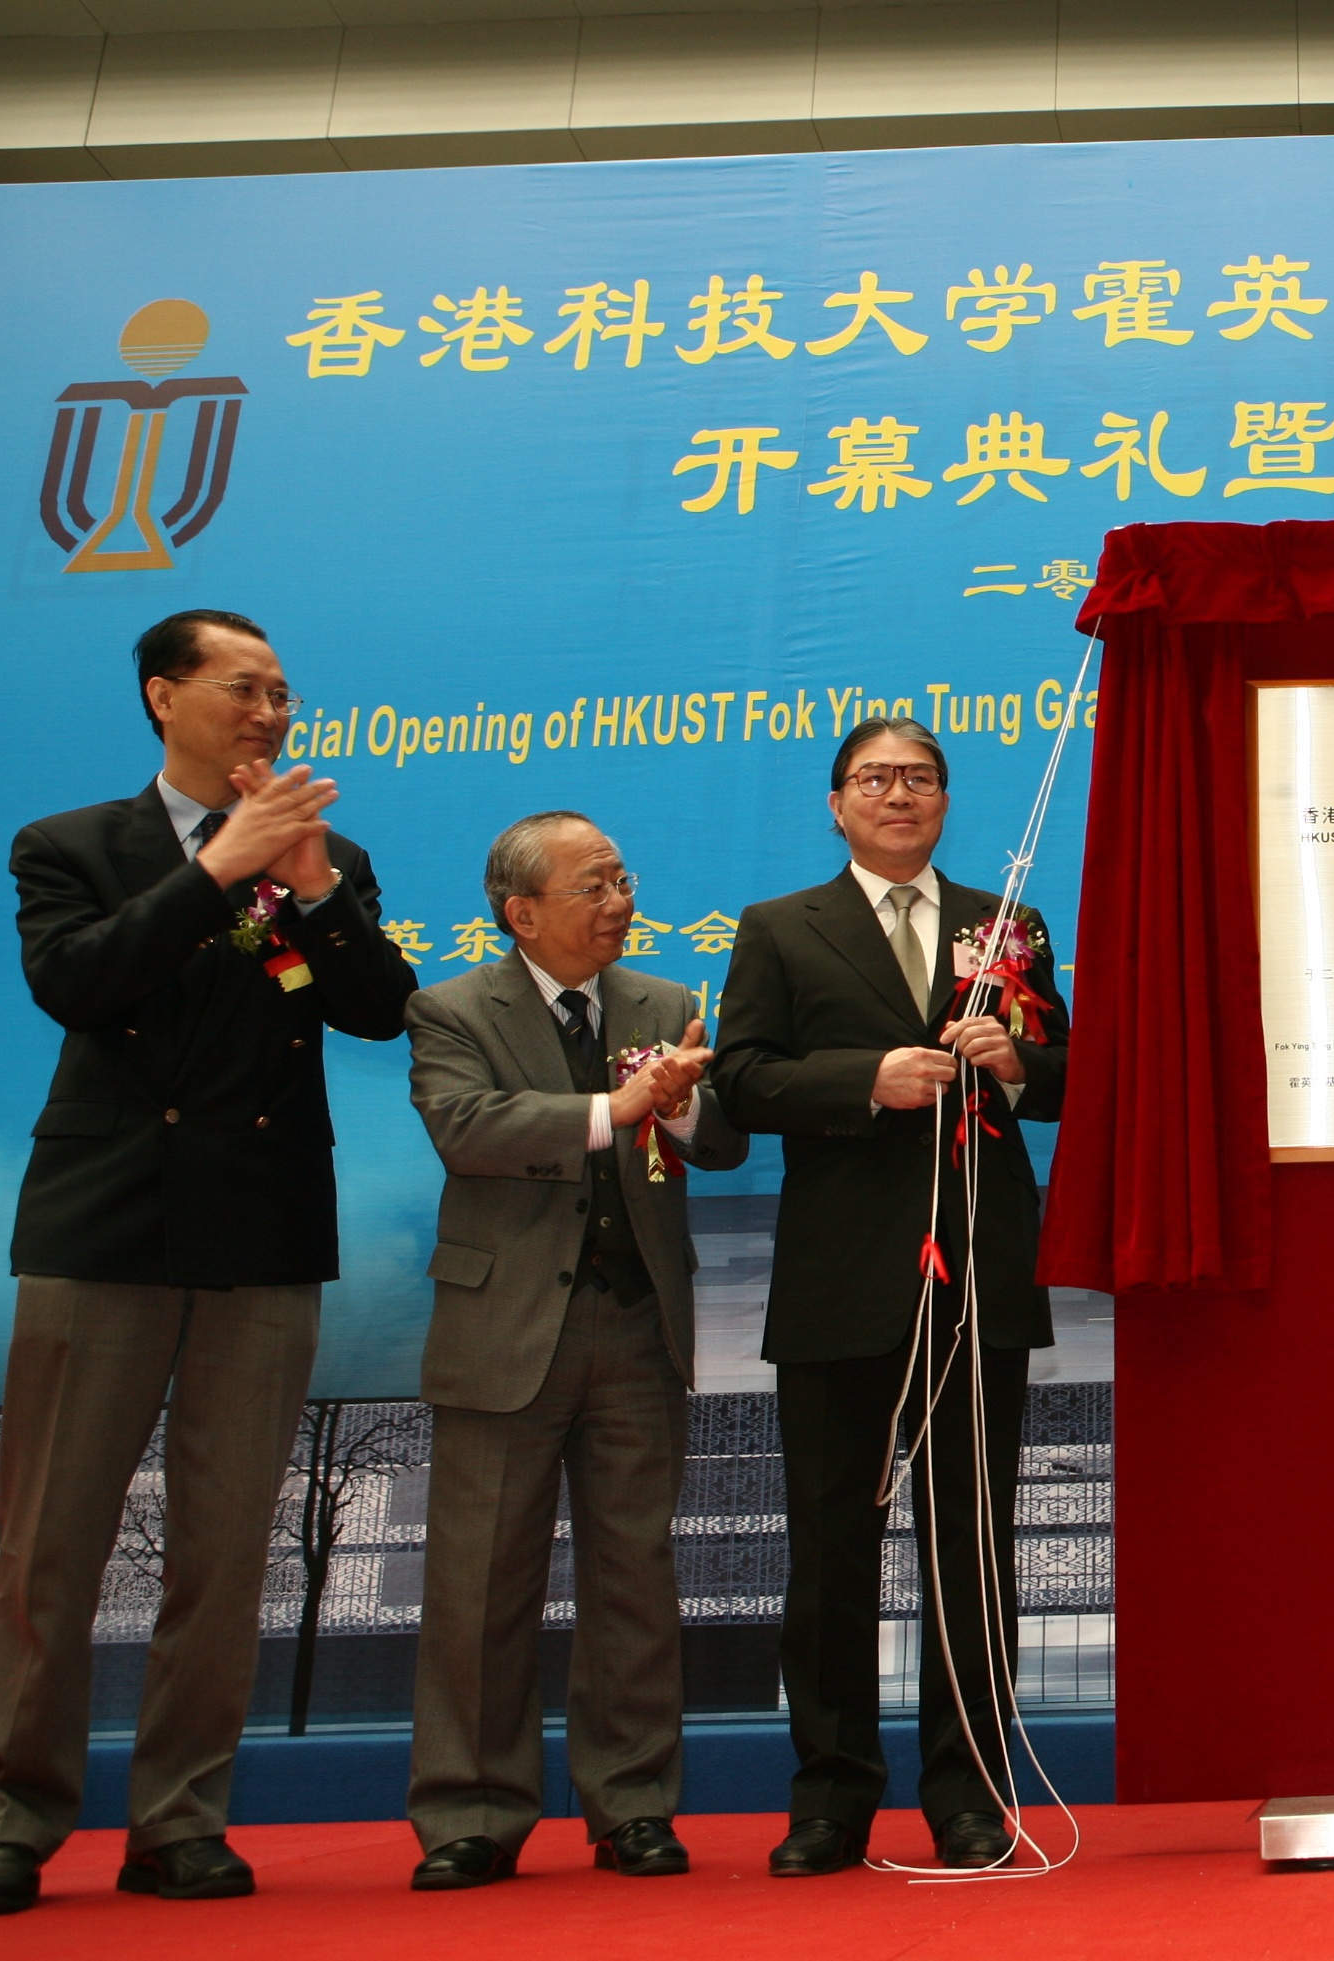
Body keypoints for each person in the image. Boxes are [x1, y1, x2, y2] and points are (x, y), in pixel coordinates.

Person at [0, 610, 419, 1919]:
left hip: (258, 1237)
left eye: (281, 692)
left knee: (221, 1548)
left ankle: (180, 1820)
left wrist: (308, 886)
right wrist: (219, 873)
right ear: (165, 696)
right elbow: (80, 984)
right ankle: (7, 1822)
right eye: (242, 688)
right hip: (106, 1229)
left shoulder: (330, 856)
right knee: (52, 1545)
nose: (269, 711)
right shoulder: (72, 846)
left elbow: (379, 1007)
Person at [709, 717, 1069, 1874]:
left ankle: (969, 1793)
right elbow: (746, 1075)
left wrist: (1017, 1063)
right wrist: (865, 1079)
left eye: (918, 777)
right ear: (836, 802)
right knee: (830, 1550)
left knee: (973, 1546)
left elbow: (1068, 1073)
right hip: (838, 1276)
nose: (897, 794)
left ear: (946, 799)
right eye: (875, 778)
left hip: (977, 1268)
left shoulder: (1006, 924)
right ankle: (829, 1796)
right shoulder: (778, 927)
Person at [398, 813, 744, 1890]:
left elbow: (721, 1138)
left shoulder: (662, 1002)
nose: (618, 899)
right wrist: (613, 1107)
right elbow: (467, 1126)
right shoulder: (449, 1007)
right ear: (521, 911)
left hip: (636, 1324)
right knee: (477, 1583)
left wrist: (679, 1112)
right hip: (504, 1329)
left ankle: (634, 1804)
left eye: (622, 878)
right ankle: (470, 1811)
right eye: (592, 884)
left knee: (634, 1577)